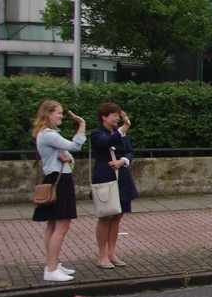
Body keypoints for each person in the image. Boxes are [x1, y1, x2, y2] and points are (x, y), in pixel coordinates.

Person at [32, 100, 85, 283]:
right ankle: (51, 268)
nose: (61, 116)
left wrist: (68, 158)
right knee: (61, 225)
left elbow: (69, 157)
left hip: (57, 178)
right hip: (58, 181)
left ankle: (52, 263)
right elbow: (75, 147)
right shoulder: (48, 134)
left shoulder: (50, 134)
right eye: (59, 113)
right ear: (48, 114)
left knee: (53, 224)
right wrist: (82, 125)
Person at [90, 103, 138, 268]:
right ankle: (102, 255)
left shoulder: (120, 133)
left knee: (117, 216)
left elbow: (130, 151)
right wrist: (124, 128)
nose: (117, 118)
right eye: (114, 115)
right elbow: (106, 142)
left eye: (118, 115)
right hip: (106, 179)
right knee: (105, 217)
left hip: (122, 179)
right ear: (104, 117)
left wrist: (122, 161)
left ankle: (112, 253)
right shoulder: (97, 134)